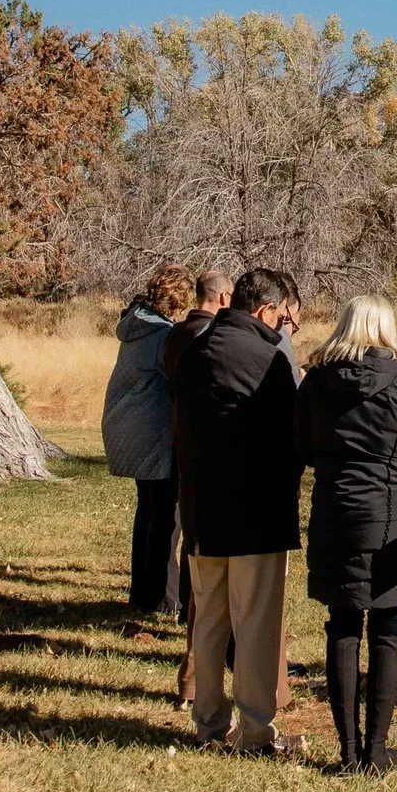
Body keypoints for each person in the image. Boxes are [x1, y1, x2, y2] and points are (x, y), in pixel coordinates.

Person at [296, 294, 397, 775]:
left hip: (336, 513)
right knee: (387, 628)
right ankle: (376, 749)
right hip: (392, 517)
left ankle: (346, 750)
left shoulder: (316, 381)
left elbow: (299, 446)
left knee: (342, 626)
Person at [170, 265, 306, 756]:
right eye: (285, 317)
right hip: (257, 512)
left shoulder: (193, 351)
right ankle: (254, 731)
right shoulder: (266, 357)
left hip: (203, 511)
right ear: (266, 310)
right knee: (255, 623)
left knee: (207, 619)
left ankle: (208, 724)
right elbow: (291, 438)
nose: (284, 327)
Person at [102, 261, 194, 616]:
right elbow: (179, 379)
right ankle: (162, 597)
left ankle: (142, 592)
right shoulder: (162, 336)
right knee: (167, 518)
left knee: (149, 513)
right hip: (154, 437)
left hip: (130, 432)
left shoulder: (136, 326)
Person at [164, 270, 231, 709]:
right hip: (215, 461)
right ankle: (202, 671)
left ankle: (194, 675)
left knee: (194, 556)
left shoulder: (174, 336)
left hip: (184, 449)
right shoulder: (209, 337)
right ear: (223, 297)